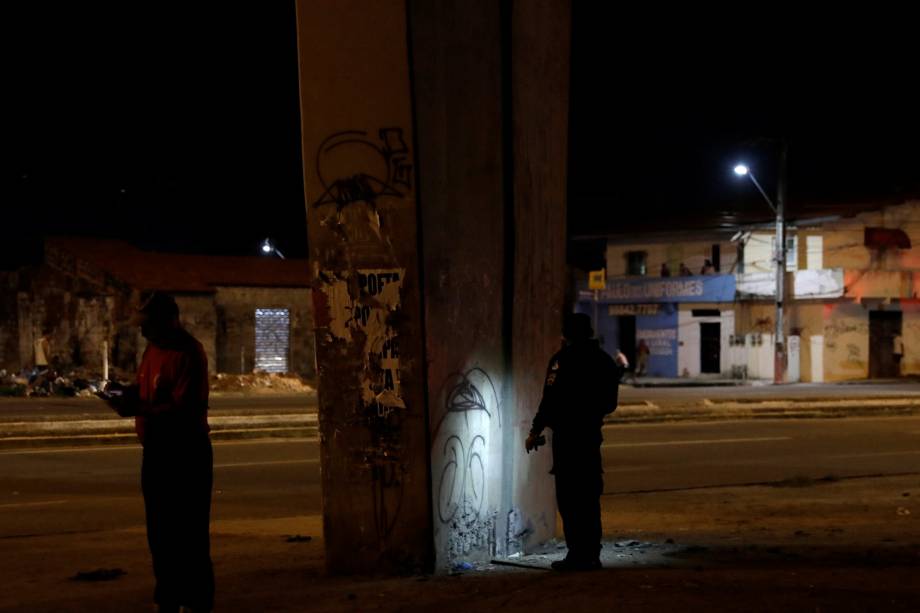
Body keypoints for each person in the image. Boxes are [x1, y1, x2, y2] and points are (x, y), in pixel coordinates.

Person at [101, 291, 214, 612]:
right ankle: (168, 598)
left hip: (185, 453)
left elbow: (184, 409)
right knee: (160, 534)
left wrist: (137, 406)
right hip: (156, 452)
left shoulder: (188, 352)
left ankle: (196, 601)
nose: (142, 332)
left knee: (189, 536)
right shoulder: (153, 349)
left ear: (169, 321)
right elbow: (145, 388)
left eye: (147, 325)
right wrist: (121, 393)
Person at [525, 313, 628, 571]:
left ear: (567, 334)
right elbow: (610, 403)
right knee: (589, 498)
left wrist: (535, 430)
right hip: (590, 438)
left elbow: (548, 401)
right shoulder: (603, 361)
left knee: (569, 499)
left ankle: (576, 555)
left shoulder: (561, 361)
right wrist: (589, 413)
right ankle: (591, 554)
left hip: (567, 440)